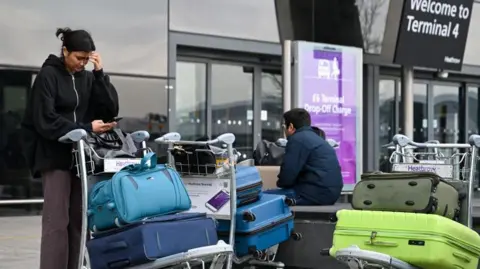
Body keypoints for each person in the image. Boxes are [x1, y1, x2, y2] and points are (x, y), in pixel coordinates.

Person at [21, 27, 119, 269]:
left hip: (81, 158)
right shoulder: (47, 76)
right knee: (57, 221)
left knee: (79, 219)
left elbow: (109, 110)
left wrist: (99, 74)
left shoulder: (87, 77)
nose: (82, 63)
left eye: (87, 59)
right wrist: (85, 127)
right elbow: (46, 119)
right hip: (54, 157)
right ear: (65, 51)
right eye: (79, 58)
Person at [264, 108, 343, 205]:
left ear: (291, 126)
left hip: (313, 194)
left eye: (284, 126)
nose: (284, 130)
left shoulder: (297, 139)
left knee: (262, 197)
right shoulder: (318, 139)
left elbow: (288, 174)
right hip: (331, 194)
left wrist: (281, 183)